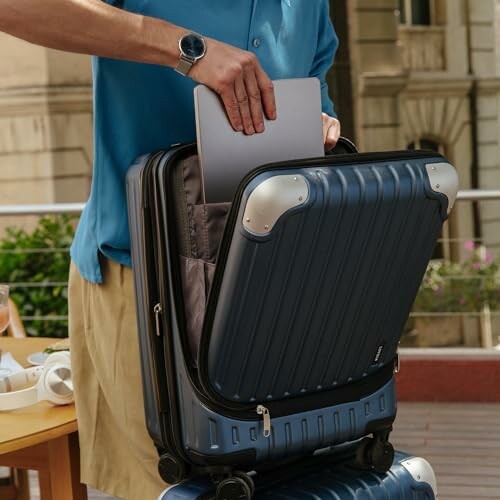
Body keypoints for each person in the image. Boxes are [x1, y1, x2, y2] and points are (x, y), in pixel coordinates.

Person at [0, 1, 341, 498]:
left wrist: (326, 126)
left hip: (274, 292)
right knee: (167, 489)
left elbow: (317, 99)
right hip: (143, 285)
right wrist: (188, 51)